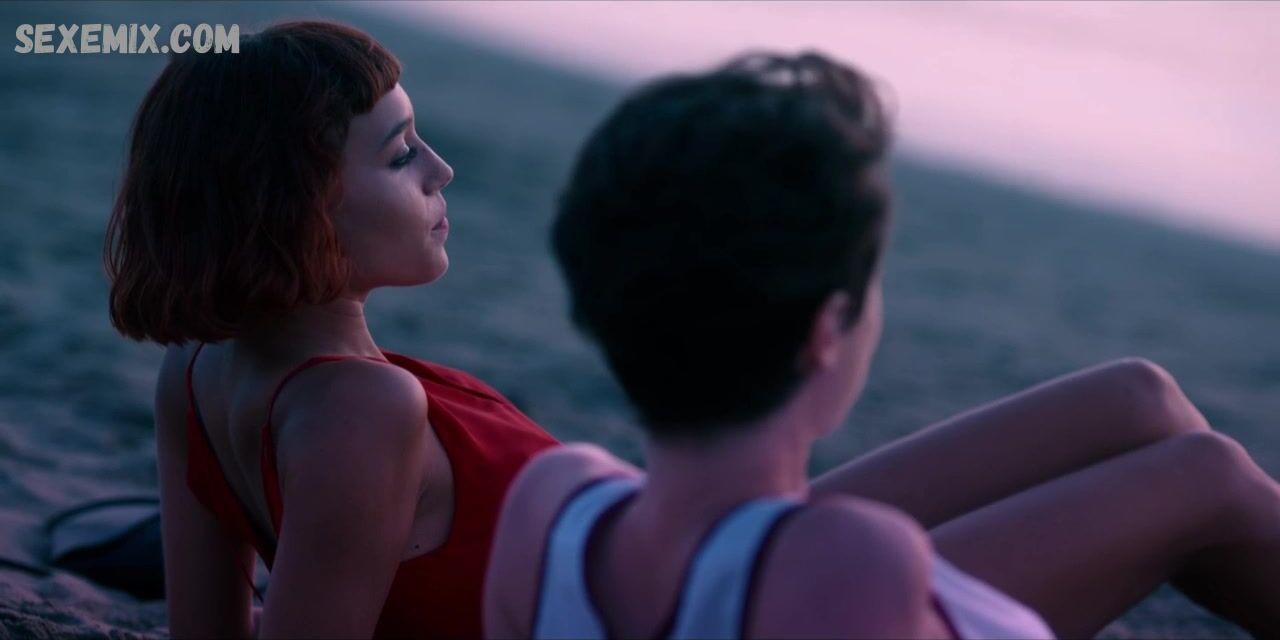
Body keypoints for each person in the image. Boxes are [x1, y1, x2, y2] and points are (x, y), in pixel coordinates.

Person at [483, 51, 1280, 639]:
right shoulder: (856, 564)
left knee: (1137, 399)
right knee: (1207, 473)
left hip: (712, 547)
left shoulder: (552, 508)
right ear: (827, 331)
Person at [103, 21, 557, 639]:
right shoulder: (364, 408)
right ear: (299, 209)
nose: (442, 169)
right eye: (401, 155)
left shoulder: (192, 369)